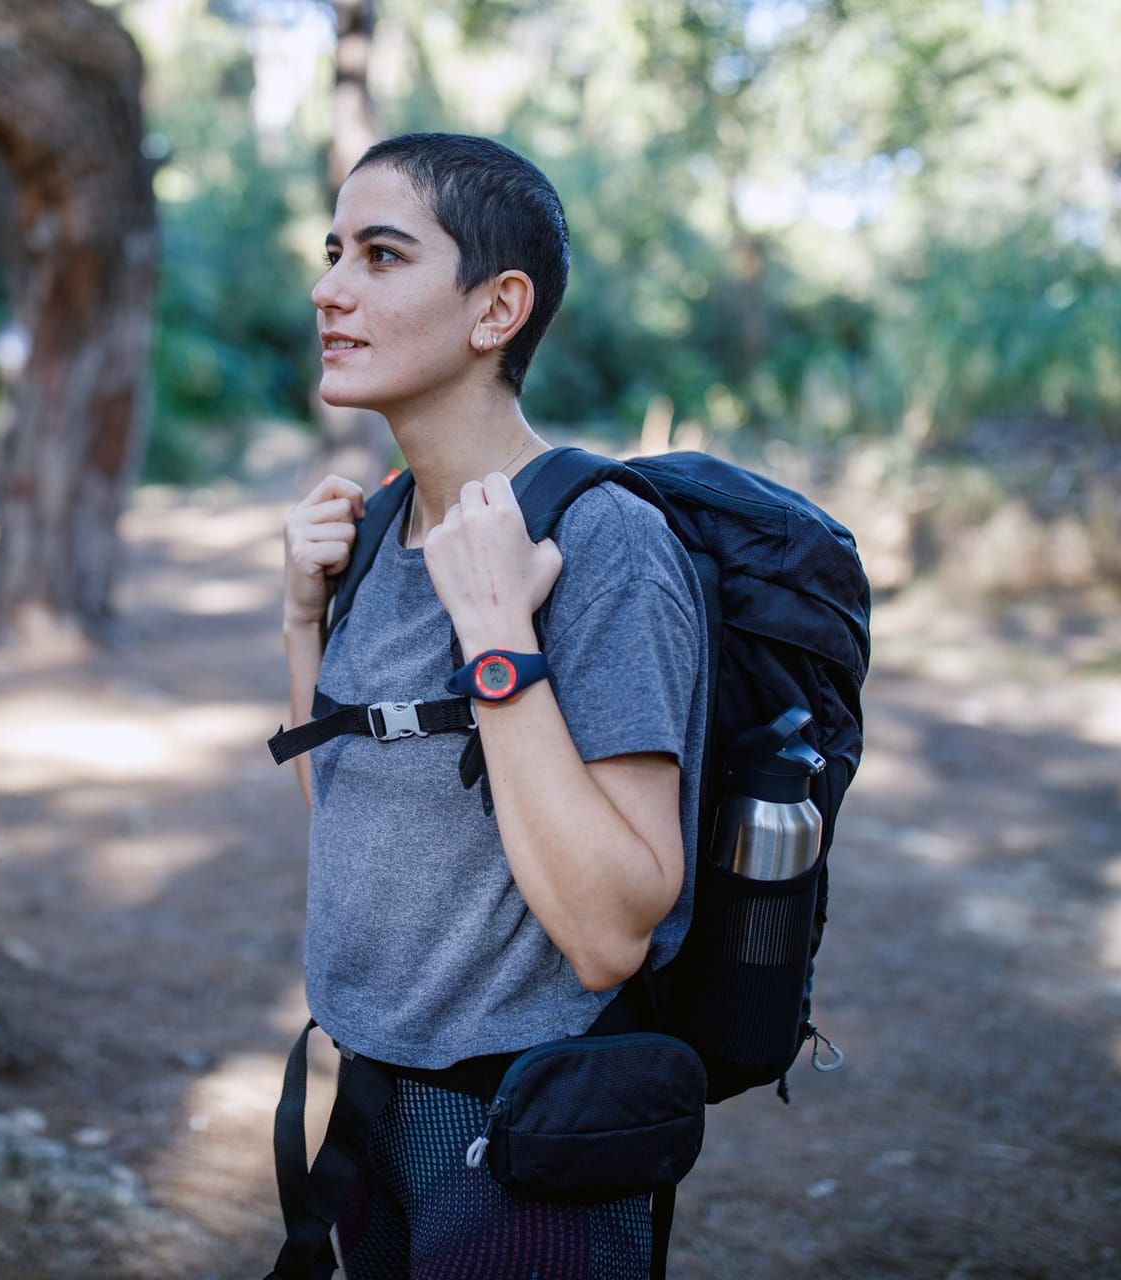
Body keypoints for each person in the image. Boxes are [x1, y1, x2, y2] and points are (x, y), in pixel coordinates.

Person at [277, 132, 709, 1278]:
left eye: (379, 254)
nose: (329, 289)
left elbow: (613, 925)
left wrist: (500, 642)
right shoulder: (378, 526)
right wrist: (300, 620)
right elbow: (355, 808)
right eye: (333, 253)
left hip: (526, 1127)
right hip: (373, 1100)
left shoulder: (601, 542)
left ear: (496, 307)